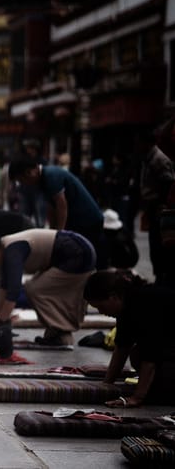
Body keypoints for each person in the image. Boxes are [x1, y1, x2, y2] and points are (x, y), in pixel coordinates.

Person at [0, 228, 96, 348]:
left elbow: (13, 291)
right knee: (36, 286)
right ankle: (56, 331)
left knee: (34, 289)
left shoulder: (12, 251)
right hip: (73, 251)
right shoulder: (6, 248)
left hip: (80, 254)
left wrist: (1, 324)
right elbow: (4, 287)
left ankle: (60, 332)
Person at [83, 269, 175, 407]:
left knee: (145, 359)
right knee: (136, 354)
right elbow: (122, 348)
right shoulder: (126, 305)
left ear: (113, 297)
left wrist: (137, 398)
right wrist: (106, 385)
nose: (101, 312)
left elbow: (150, 358)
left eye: (101, 307)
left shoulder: (145, 304)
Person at [8, 154, 109, 269]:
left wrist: (59, 234)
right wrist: (52, 233)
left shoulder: (51, 175)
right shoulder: (42, 181)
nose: (23, 184)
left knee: (92, 259)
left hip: (88, 220)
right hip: (78, 221)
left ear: (30, 172)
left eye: (21, 180)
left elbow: (62, 206)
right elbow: (51, 207)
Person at [135, 128, 175, 283]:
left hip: (159, 205)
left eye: (139, 143)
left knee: (160, 244)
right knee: (155, 243)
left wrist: (162, 205)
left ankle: (163, 276)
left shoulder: (159, 158)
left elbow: (166, 181)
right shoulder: (148, 157)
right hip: (153, 204)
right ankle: (160, 274)